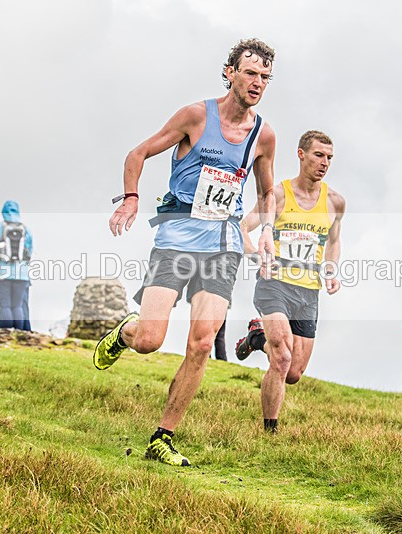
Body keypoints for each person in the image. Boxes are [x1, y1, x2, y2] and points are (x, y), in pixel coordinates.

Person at [93, 38, 278, 467]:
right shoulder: (196, 116)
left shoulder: (263, 134)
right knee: (151, 340)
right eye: (250, 73)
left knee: (199, 343)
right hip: (176, 237)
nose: (258, 83)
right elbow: (138, 152)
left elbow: (268, 191)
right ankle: (126, 333)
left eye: (265, 77)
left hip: (223, 244)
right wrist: (131, 198)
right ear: (229, 72)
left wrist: (266, 230)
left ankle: (163, 437)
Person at [234, 130, 345, 433]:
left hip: (308, 292)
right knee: (281, 358)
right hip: (274, 285)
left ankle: (257, 338)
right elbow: (243, 227)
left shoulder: (335, 202)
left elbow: (334, 242)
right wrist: (257, 255)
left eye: (329, 158)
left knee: (294, 372)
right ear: (301, 154)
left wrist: (331, 269)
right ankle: (270, 432)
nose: (325, 163)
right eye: (319, 155)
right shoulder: (279, 194)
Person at [0, 200, 33, 331]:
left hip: (1, 272)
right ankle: (19, 333)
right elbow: (29, 250)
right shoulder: (25, 229)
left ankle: (4, 334)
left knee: (5, 306)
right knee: (17, 306)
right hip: (21, 273)